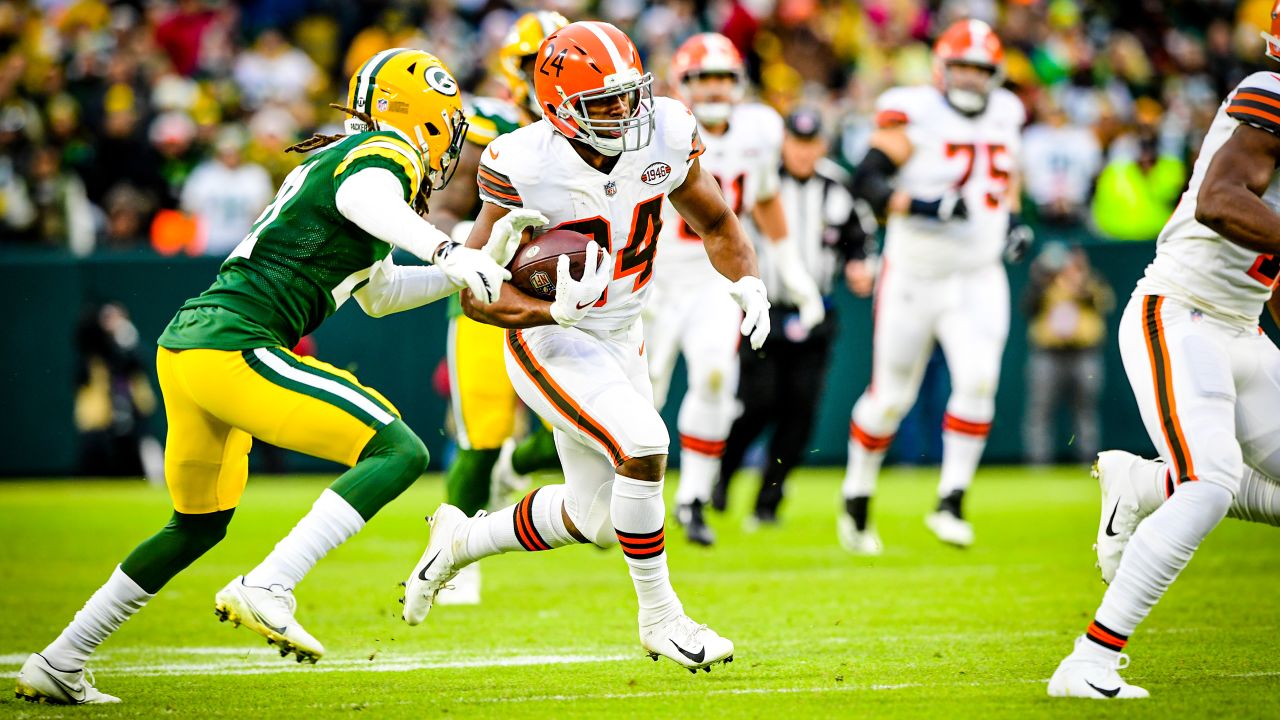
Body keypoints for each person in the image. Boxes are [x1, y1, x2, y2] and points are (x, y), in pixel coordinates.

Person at [15, 49, 519, 705]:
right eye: (450, 125)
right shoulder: (381, 154)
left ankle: (60, 658)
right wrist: (447, 249)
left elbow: (381, 292)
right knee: (399, 450)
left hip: (189, 347)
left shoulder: (344, 163)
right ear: (424, 116)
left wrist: (480, 256)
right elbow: (365, 197)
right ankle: (270, 583)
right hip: (237, 343)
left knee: (196, 525)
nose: (454, 144)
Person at [401, 20, 772, 673]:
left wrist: (748, 283)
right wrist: (550, 307)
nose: (625, 113)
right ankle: (663, 618)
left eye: (630, 96)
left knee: (597, 517)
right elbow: (475, 292)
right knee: (645, 444)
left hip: (626, 331)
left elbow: (715, 220)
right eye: (604, 104)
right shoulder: (522, 162)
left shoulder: (665, 130)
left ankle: (458, 540)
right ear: (557, 107)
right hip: (548, 335)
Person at [1047, 12, 1280, 699]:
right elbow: (1218, 201)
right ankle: (1088, 660)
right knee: (1208, 482)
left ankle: (1145, 486)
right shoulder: (1269, 89)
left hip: (1241, 328)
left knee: (1203, 480)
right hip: (1180, 312)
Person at [838, 19, 1032, 554]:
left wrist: (1012, 219)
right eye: (962, 68)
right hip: (914, 274)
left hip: (977, 273)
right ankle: (856, 497)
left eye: (980, 70)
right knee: (890, 399)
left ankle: (952, 501)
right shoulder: (914, 110)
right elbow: (867, 180)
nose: (970, 79)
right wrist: (925, 204)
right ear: (943, 70)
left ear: (994, 75)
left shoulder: (1008, 113)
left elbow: (1005, 175)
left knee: (979, 380)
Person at [644, 32, 824, 546]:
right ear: (684, 83)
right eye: (706, 79)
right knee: (645, 389)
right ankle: (628, 497)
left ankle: (693, 498)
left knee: (717, 379)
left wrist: (790, 269)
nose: (717, 89)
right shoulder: (656, 128)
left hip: (714, 278)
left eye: (725, 78)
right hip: (651, 274)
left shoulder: (760, 129)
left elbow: (765, 197)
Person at [424, 10, 569, 605]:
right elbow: (439, 203)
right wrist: (472, 246)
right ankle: (449, 558)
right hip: (491, 296)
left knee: (583, 429)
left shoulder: (596, 130)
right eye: (537, 66)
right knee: (481, 432)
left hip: (568, 300)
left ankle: (526, 467)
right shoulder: (487, 127)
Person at [714, 106, 874, 526]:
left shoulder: (837, 186)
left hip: (816, 310)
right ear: (783, 143)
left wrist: (859, 265)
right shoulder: (761, 181)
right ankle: (721, 479)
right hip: (765, 307)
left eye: (811, 143)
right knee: (757, 405)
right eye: (796, 143)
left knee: (800, 412)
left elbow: (858, 239)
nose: (803, 153)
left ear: (822, 144)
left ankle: (768, 501)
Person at [1021, 244, 1114, 465]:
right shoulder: (1044, 285)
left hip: (1084, 353)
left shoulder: (1091, 282)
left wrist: (1079, 284)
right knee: (1040, 410)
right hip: (1048, 354)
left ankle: (1088, 461)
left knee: (1085, 410)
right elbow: (1028, 307)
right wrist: (1041, 279)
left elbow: (1105, 303)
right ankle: (1037, 463)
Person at [180, 124, 274, 257]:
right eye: (226, 152)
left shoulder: (255, 174)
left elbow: (264, 212)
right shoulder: (205, 174)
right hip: (210, 246)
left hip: (244, 247)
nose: (231, 156)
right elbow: (188, 210)